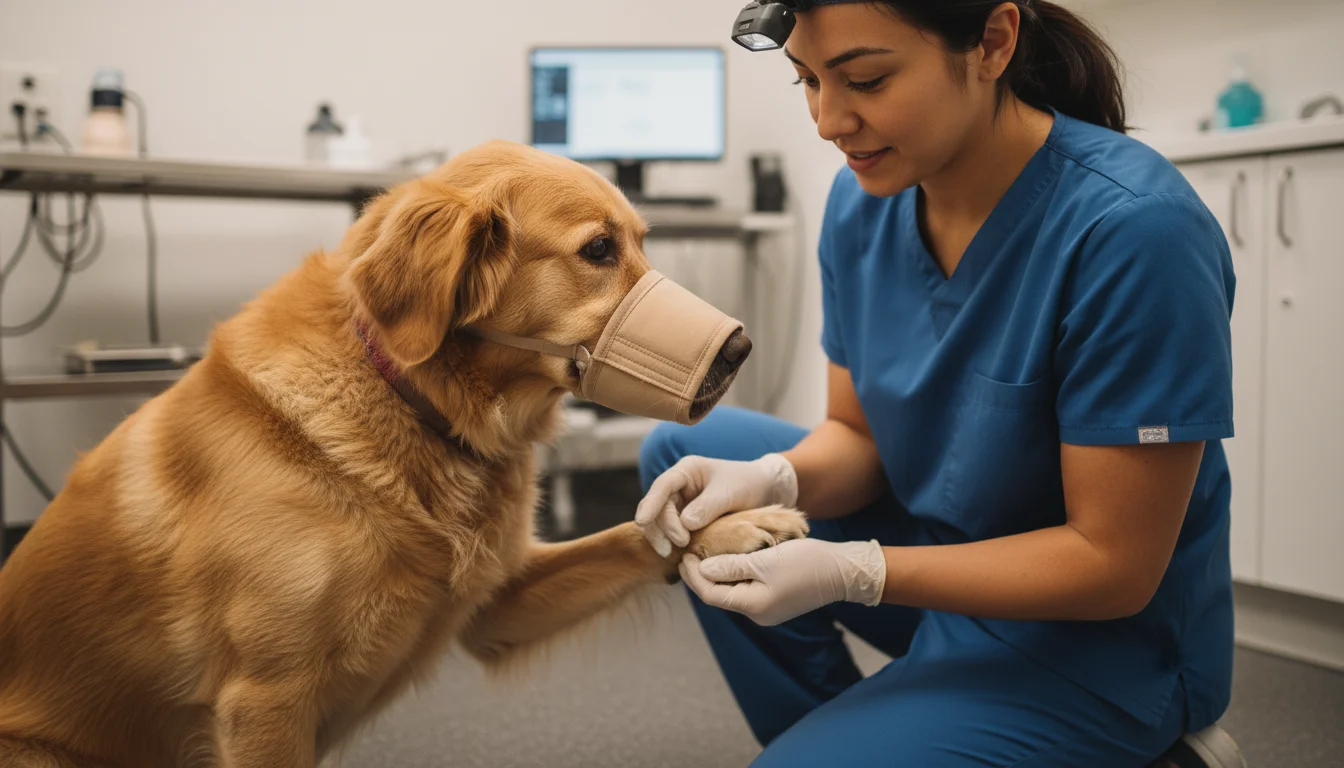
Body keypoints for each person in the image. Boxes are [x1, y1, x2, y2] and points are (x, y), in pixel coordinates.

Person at [636, 1, 1248, 766]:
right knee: (683, 458)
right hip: (946, 563)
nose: (828, 121)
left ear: (992, 43)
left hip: (1097, 645)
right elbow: (858, 438)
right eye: (807, 81)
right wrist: (775, 477)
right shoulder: (861, 205)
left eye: (866, 79)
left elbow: (1112, 565)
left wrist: (857, 571)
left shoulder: (1134, 231)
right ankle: (851, 729)